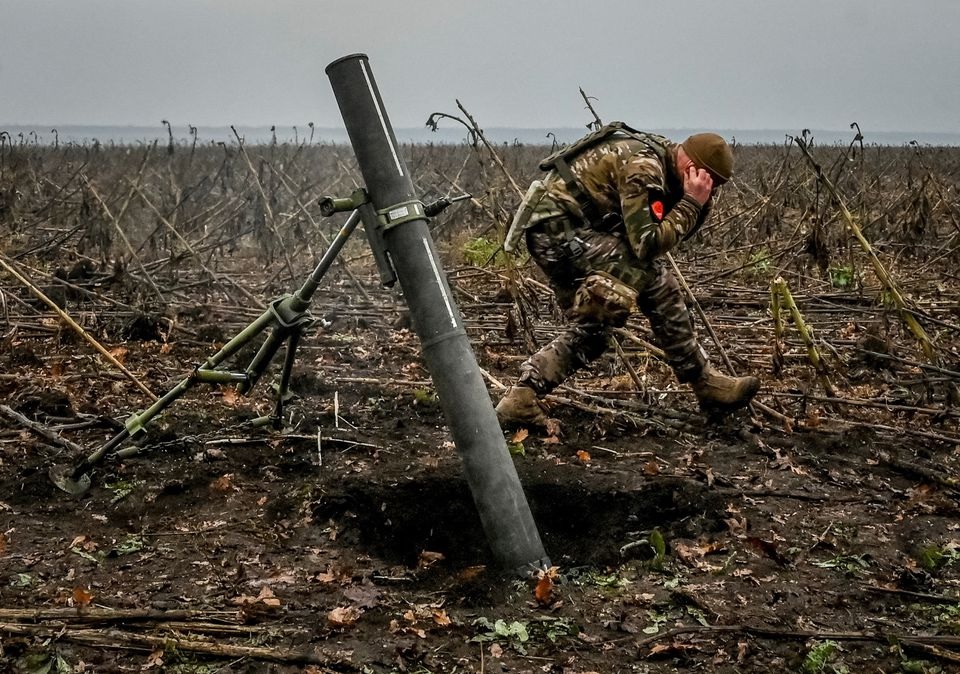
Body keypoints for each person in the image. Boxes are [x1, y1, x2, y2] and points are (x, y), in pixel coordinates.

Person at [496, 122, 759, 427]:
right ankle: (704, 383)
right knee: (657, 280)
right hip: (558, 234)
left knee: (594, 332)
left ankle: (521, 398)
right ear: (691, 166)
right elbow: (646, 245)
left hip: (567, 233)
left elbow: (660, 235)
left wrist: (697, 204)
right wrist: (691, 203)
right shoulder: (645, 168)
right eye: (709, 181)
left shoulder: (664, 159)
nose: (709, 189)